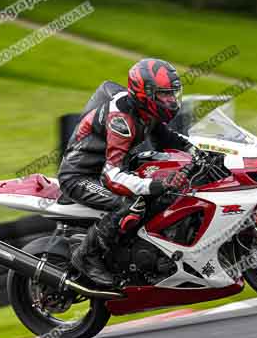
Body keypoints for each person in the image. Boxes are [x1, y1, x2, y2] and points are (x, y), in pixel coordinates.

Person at [58, 58, 200, 287]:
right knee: (130, 203)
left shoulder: (144, 110)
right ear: (145, 94)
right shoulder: (121, 120)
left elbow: (166, 139)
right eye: (164, 94)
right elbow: (112, 175)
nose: (171, 100)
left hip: (111, 168)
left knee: (165, 190)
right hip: (81, 176)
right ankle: (87, 256)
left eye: (173, 93)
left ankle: (148, 252)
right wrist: (156, 185)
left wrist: (199, 152)